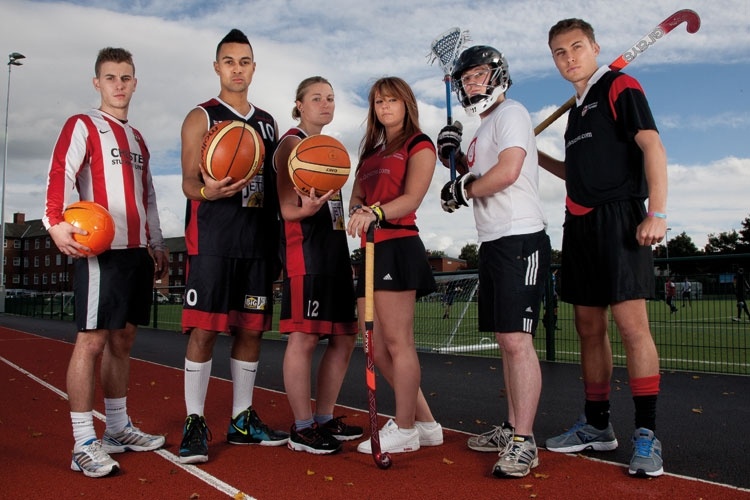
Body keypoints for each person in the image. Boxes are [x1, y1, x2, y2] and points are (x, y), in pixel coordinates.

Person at [538, 18, 668, 478]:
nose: (569, 56)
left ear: (595, 48)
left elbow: (652, 145)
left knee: (633, 327)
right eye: (559, 52)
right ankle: (596, 425)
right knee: (588, 327)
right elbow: (576, 175)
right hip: (580, 223)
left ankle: (647, 435)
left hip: (621, 218)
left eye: (577, 47)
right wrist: (530, 154)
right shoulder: (575, 113)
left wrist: (658, 211)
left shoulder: (619, 85)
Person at [43, 47, 168, 478]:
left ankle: (117, 428)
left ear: (135, 82)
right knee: (91, 341)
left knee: (123, 339)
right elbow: (60, 171)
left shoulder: (137, 139)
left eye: (126, 77)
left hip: (136, 252)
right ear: (97, 83)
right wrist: (54, 223)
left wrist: (156, 241)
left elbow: (147, 194)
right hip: (99, 249)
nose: (119, 84)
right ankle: (83, 442)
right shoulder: (82, 125)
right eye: (110, 77)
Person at [437, 45, 550, 478]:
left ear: (498, 74)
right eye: (466, 79)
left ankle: (525, 441)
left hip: (520, 236)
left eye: (479, 75)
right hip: (494, 241)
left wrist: (463, 188)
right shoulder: (482, 129)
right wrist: (454, 156)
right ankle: (510, 427)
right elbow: (475, 178)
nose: (472, 84)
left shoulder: (511, 113)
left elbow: (507, 172)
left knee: (517, 341)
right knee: (506, 341)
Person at [178, 28, 287, 464]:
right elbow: (188, 181)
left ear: (254, 68)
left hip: (257, 243)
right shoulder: (201, 117)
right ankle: (194, 421)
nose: (237, 69)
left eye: (244, 62)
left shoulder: (267, 123)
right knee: (204, 330)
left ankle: (242, 419)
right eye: (229, 61)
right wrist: (209, 193)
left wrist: (278, 245)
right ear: (217, 66)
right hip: (213, 240)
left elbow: (276, 189)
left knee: (251, 329)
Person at [346, 76, 443, 455]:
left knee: (397, 343)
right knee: (374, 346)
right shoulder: (370, 150)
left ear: (406, 104)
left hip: (398, 246)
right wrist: (358, 207)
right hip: (369, 251)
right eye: (378, 102)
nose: (385, 107)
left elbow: (412, 198)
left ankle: (404, 428)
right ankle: (426, 423)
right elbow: (356, 194)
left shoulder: (419, 143)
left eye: (391, 100)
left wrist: (375, 211)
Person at [273, 76, 362, 454]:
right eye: (316, 98)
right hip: (304, 250)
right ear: (299, 104)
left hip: (334, 249)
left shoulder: (328, 150)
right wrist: (304, 209)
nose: (325, 104)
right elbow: (285, 209)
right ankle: (302, 426)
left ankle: (324, 417)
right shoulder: (291, 144)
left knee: (344, 335)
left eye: (330, 97)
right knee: (305, 336)